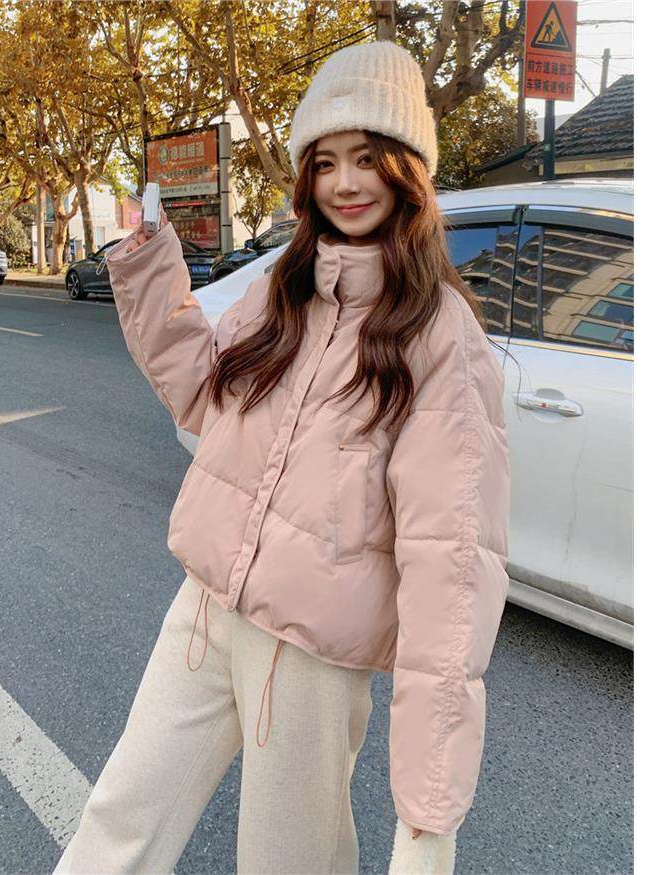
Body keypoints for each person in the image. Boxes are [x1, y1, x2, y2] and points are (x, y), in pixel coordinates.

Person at [53, 40, 509, 875]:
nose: (344, 182)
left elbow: (450, 569)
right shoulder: (280, 291)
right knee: (121, 815)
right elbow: (205, 402)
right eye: (324, 162)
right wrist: (151, 263)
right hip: (205, 609)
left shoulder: (440, 337)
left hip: (309, 656)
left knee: (286, 860)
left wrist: (428, 814)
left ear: (407, 169)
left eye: (367, 157)